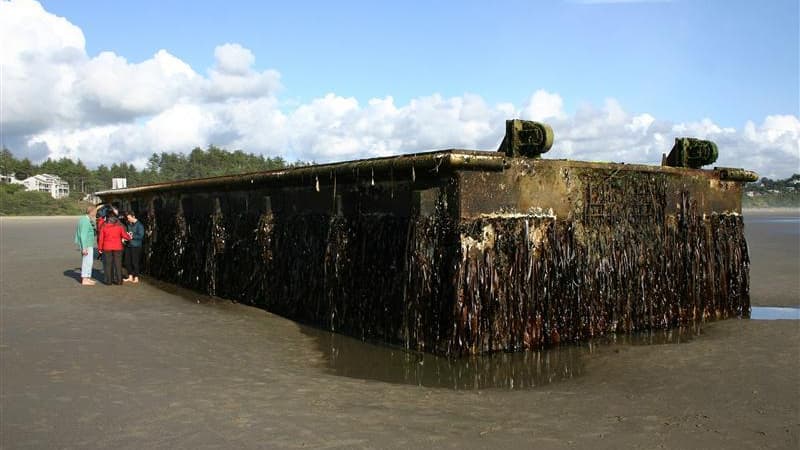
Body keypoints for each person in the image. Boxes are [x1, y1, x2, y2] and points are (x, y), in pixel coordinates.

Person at [98, 214, 130, 285]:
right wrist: (130, 237)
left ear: (108, 221)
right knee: (118, 264)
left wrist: (100, 248)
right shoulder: (119, 227)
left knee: (108, 265)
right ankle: (119, 281)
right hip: (118, 247)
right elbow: (124, 236)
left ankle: (109, 281)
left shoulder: (104, 227)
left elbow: (101, 239)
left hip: (107, 248)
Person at [74, 205, 97, 285]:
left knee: (89, 262)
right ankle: (85, 279)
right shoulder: (85, 221)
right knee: (86, 262)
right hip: (86, 245)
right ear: (92, 212)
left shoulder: (85, 219)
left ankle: (87, 278)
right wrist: (84, 248)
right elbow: (83, 235)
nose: (96, 213)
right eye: (95, 211)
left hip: (88, 244)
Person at [122, 211, 144, 283]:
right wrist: (124, 238)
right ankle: (130, 276)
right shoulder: (129, 224)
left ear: (133, 216)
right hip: (128, 245)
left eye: (129, 218)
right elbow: (127, 233)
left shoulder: (140, 225)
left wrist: (132, 237)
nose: (128, 219)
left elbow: (141, 236)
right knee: (127, 261)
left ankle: (136, 277)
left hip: (136, 246)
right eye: (127, 218)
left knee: (135, 262)